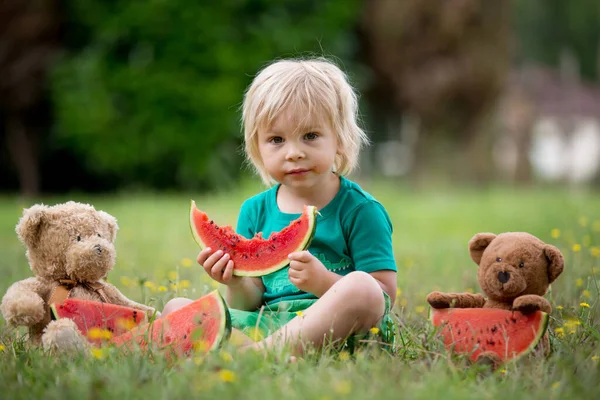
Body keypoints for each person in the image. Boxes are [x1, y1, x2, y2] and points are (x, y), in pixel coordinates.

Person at [164, 58, 398, 355]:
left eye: (310, 136)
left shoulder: (360, 210)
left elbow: (383, 296)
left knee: (362, 287)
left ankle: (254, 355)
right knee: (178, 308)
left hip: (343, 330)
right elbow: (247, 303)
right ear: (257, 148)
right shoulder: (255, 210)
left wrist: (323, 282)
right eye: (276, 139)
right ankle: (260, 350)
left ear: (339, 138)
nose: (294, 153)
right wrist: (235, 282)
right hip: (269, 326)